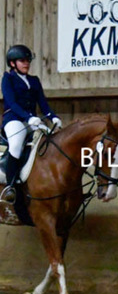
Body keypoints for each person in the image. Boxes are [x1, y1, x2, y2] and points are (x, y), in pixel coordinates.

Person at [1, 44, 62, 203]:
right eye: (22, 61)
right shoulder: (8, 79)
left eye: (28, 60)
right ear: (13, 63)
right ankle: (10, 186)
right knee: (16, 144)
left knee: (50, 139)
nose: (26, 63)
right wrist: (28, 117)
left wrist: (53, 117)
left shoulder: (34, 81)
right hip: (14, 119)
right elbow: (11, 103)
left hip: (32, 121)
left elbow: (43, 103)